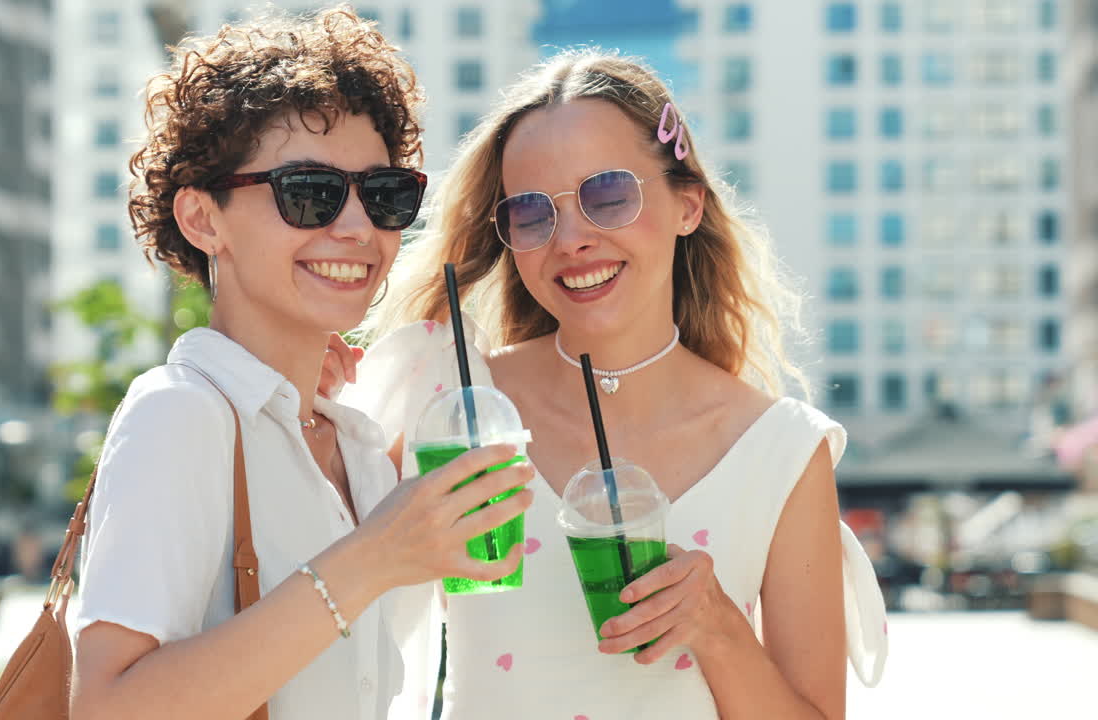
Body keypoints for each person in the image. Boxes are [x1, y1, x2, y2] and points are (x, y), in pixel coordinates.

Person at [340, 50, 887, 719]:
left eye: (608, 196)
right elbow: (316, 591)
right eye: (533, 214)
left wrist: (718, 627)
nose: (572, 238)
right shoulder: (453, 404)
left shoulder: (782, 452)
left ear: (688, 205)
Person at [69, 9, 532, 720]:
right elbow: (108, 707)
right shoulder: (179, 416)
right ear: (202, 219)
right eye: (308, 193)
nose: (356, 228)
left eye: (384, 196)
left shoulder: (356, 440)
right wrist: (373, 557)